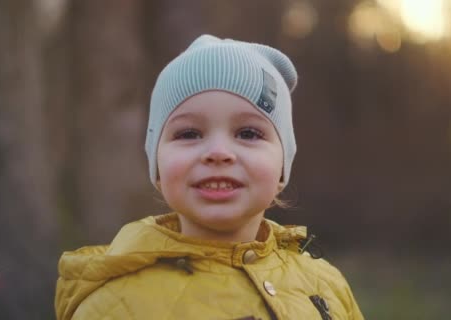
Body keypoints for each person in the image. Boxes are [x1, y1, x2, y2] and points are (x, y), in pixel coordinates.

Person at [55, 34, 364, 320]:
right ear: (158, 165)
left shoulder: (326, 285)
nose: (218, 152)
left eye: (247, 133)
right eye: (189, 133)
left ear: (283, 164)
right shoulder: (113, 305)